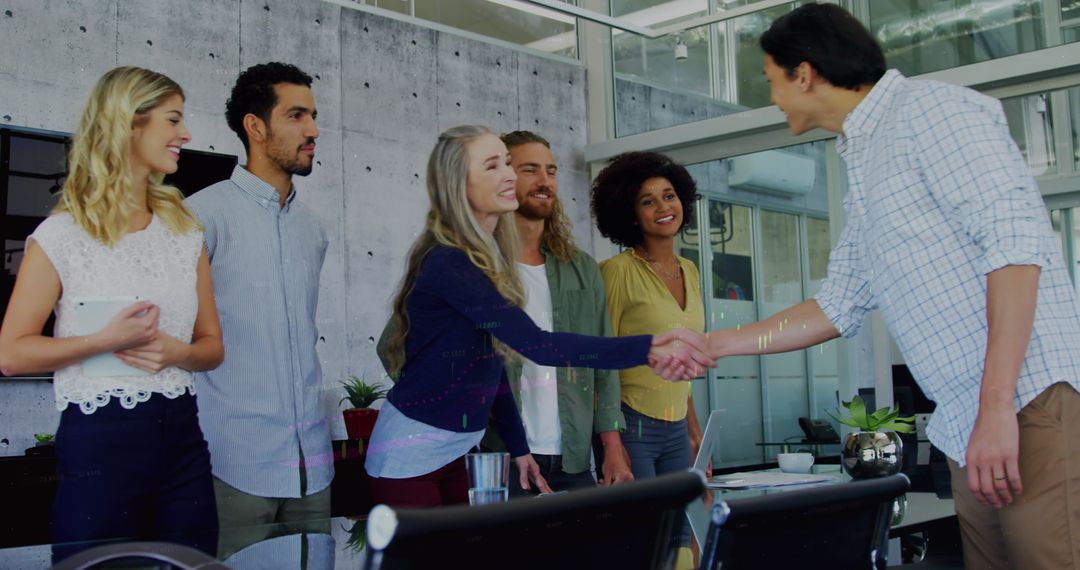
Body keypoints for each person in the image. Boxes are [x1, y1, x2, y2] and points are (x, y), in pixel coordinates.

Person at [672, 4, 1080, 569]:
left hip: (1024, 402)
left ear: (804, 73)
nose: (772, 97)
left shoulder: (931, 112)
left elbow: (1015, 249)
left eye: (771, 80)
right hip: (968, 421)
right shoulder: (864, 157)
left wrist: (995, 407)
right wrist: (713, 343)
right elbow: (836, 304)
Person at [364, 125, 709, 508]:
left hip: (455, 454)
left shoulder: (484, 259)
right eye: (494, 166)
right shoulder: (453, 263)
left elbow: (493, 366)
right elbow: (539, 346)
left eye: (507, 164)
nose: (510, 176)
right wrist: (648, 348)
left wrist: (519, 449)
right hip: (409, 457)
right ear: (459, 183)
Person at [0, 66, 223, 556]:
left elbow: (212, 348)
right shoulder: (62, 235)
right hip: (99, 444)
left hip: (183, 440)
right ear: (129, 123)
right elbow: (12, 355)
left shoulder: (186, 231)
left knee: (195, 565)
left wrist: (176, 353)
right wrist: (105, 341)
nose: (186, 134)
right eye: (173, 120)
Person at [185, 62, 332, 535]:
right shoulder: (199, 218)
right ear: (255, 126)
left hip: (313, 469)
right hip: (233, 467)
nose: (313, 130)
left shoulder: (313, 229)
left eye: (312, 116)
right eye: (296, 116)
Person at [488, 130, 633, 495]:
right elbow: (401, 348)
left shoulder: (581, 268)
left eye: (551, 171)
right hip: (501, 458)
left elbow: (603, 363)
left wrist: (613, 446)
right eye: (530, 169)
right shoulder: (475, 264)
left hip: (573, 459)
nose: (545, 181)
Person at [591, 151, 707, 569]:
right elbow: (598, 359)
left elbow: (682, 362)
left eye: (669, 195)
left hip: (676, 427)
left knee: (685, 537)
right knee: (645, 542)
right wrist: (612, 445)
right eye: (648, 200)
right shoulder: (616, 271)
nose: (663, 207)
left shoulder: (690, 270)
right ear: (630, 212)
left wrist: (694, 431)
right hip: (631, 425)